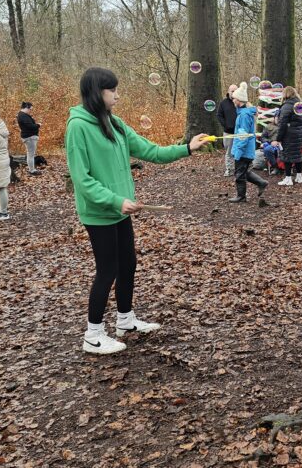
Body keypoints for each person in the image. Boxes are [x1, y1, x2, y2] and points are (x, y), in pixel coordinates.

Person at [65, 67, 209, 355]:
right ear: (97, 92)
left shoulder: (115, 123)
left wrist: (188, 148)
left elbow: (151, 151)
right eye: (112, 90)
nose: (117, 95)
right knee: (107, 270)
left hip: (121, 212)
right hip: (99, 213)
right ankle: (93, 335)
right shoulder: (77, 127)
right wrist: (116, 200)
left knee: (128, 265)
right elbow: (81, 179)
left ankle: (125, 320)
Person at [228, 82, 269, 203]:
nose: (233, 100)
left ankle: (241, 196)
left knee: (239, 173)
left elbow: (243, 136)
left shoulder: (244, 115)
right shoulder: (243, 113)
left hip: (244, 150)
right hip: (245, 149)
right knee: (243, 171)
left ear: (239, 100)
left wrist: (238, 152)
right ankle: (261, 183)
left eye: (234, 98)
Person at [274, 86, 302, 186]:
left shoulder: (286, 106)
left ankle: (288, 178)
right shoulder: (300, 105)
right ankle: (299, 177)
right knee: (297, 154)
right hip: (299, 133)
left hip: (289, 135)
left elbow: (282, 123)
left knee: (287, 155)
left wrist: (279, 138)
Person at [215, 84, 239, 177]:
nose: (233, 92)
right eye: (232, 91)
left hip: (240, 132)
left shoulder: (240, 103)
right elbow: (219, 115)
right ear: (228, 91)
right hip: (228, 132)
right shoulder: (223, 103)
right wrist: (226, 125)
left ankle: (239, 169)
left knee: (239, 151)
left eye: (235, 91)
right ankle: (229, 169)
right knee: (229, 151)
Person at [17, 102, 42, 175]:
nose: (30, 111)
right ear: (26, 107)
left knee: (30, 154)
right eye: (30, 109)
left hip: (29, 137)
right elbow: (31, 126)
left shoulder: (23, 115)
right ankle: (32, 170)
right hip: (29, 137)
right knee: (31, 154)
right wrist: (38, 125)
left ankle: (32, 169)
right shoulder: (23, 116)